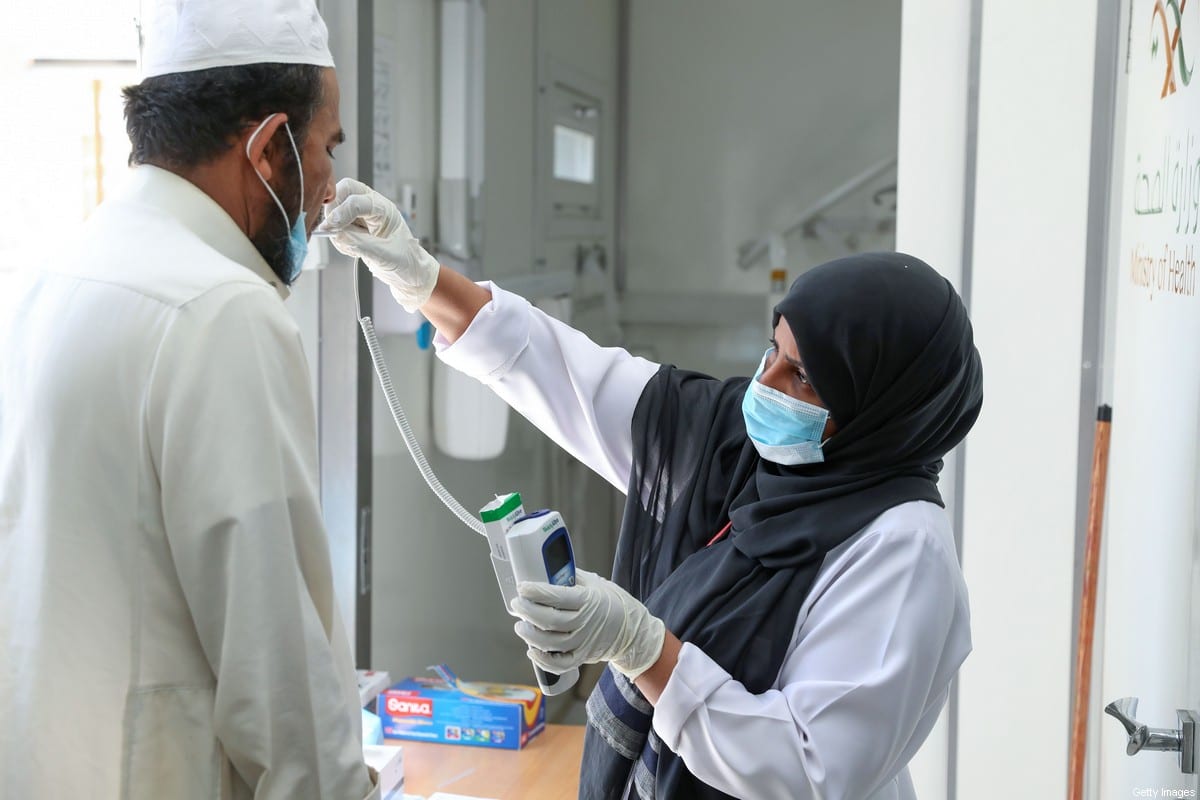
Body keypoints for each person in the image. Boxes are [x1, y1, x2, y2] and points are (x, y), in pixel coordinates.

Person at [323, 179, 984, 800]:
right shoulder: (733, 446)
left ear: (882, 407)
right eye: (770, 352)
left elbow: (804, 769)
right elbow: (568, 373)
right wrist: (421, 277)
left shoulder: (901, 551)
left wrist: (644, 649)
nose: (766, 384)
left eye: (804, 378)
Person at [0, 2, 376, 798]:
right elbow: (280, 679)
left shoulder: (54, 277)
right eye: (323, 151)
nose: (329, 191)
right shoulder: (221, 311)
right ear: (269, 147)